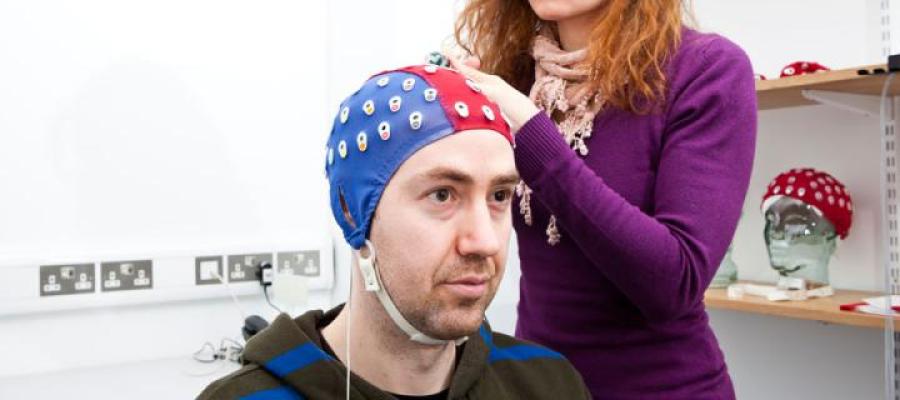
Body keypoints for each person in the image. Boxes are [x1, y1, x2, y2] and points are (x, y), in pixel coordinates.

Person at [198, 65, 591, 399]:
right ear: (351, 212)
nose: (485, 241)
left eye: (499, 195)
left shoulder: (548, 385)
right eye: (442, 195)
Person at [452, 1, 757, 398]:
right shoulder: (516, 75)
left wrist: (531, 130)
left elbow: (675, 284)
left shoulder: (706, 69)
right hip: (538, 385)